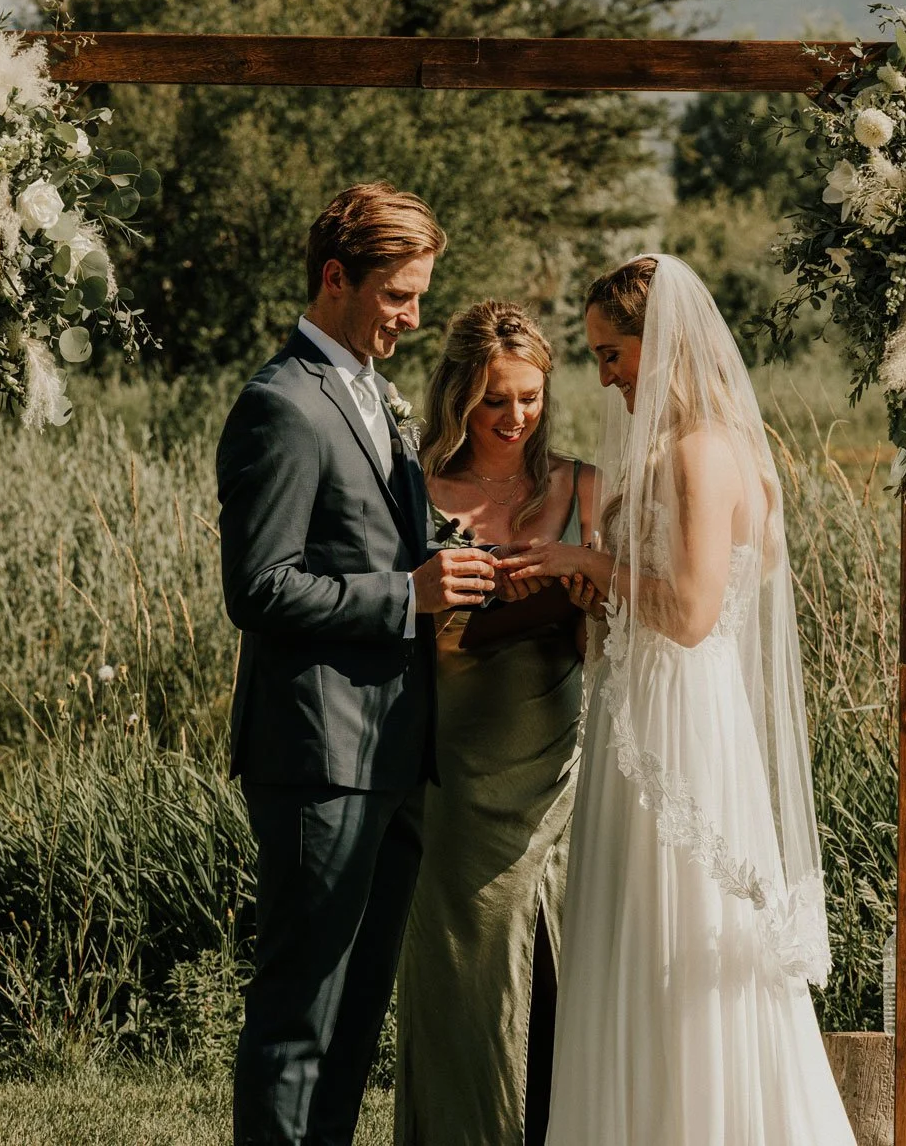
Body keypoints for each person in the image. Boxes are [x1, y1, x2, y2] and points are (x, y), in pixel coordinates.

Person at [500, 255, 856, 1145]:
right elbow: (651, 593)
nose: (606, 375)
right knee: (631, 939)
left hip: (683, 729)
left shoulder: (700, 453)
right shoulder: (680, 445)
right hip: (645, 713)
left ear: (659, 347)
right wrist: (600, 592)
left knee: (675, 939)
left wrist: (586, 563)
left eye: (612, 353)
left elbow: (695, 614)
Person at [217, 183, 499, 1146]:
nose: (414, 318)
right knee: (300, 1017)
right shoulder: (282, 406)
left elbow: (375, 539)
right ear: (335, 279)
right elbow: (259, 588)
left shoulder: (374, 398)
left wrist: (451, 554)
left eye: (420, 295)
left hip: (392, 754)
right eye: (397, 295)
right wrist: (406, 595)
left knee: (352, 1024)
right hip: (318, 756)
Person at [395, 303, 594, 1146]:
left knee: (561, 969)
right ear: (458, 399)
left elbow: (634, 611)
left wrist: (580, 591)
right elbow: (387, 614)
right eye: (494, 402)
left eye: (530, 400)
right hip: (450, 761)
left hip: (554, 763)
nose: (515, 420)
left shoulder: (581, 485)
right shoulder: (414, 487)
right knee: (461, 975)